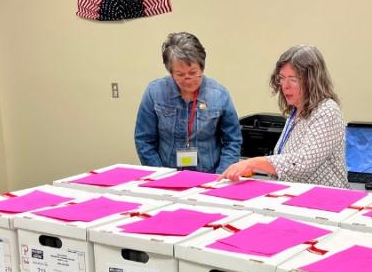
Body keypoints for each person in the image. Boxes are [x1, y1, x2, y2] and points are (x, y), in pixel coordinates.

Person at [221, 45, 347, 188]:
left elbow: (304, 163)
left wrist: (254, 163)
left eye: (293, 79)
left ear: (312, 81)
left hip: (326, 201)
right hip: (297, 197)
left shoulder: (327, 110)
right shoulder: (295, 111)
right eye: (282, 78)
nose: (285, 86)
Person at [134, 32, 242, 173]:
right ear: (170, 72)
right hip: (166, 175)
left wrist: (218, 178)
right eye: (180, 74)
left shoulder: (219, 95)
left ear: (202, 67)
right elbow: (144, 141)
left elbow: (232, 141)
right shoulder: (155, 92)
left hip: (208, 176)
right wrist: (160, 175)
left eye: (193, 72)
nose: (187, 79)